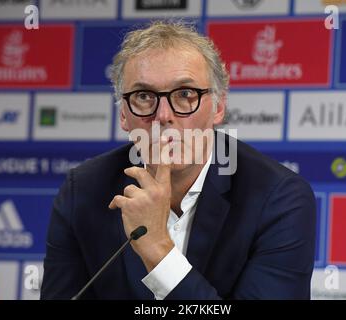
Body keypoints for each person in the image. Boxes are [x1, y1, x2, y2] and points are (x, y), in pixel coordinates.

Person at [40, 20, 316, 300]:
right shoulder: (83, 191)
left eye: (185, 94)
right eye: (144, 96)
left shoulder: (278, 198)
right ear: (124, 115)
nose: (163, 116)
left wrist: (158, 248)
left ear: (218, 107)